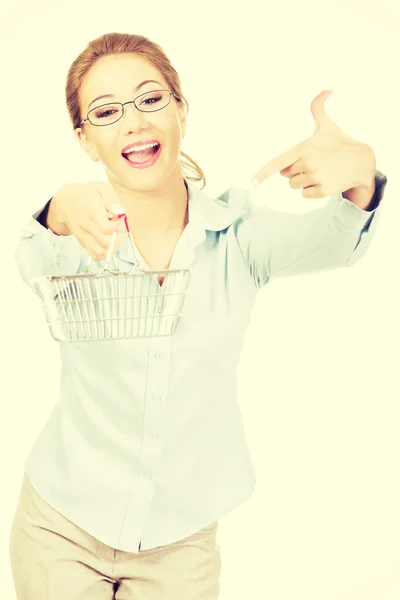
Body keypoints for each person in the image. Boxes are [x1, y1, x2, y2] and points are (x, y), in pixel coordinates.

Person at [9, 31, 388, 600]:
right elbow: (29, 257)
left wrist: (363, 178)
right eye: (107, 112)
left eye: (150, 99)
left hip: (180, 542)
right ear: (86, 141)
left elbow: (334, 244)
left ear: (181, 110)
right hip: (60, 527)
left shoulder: (238, 237)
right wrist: (59, 210)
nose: (133, 122)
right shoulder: (74, 234)